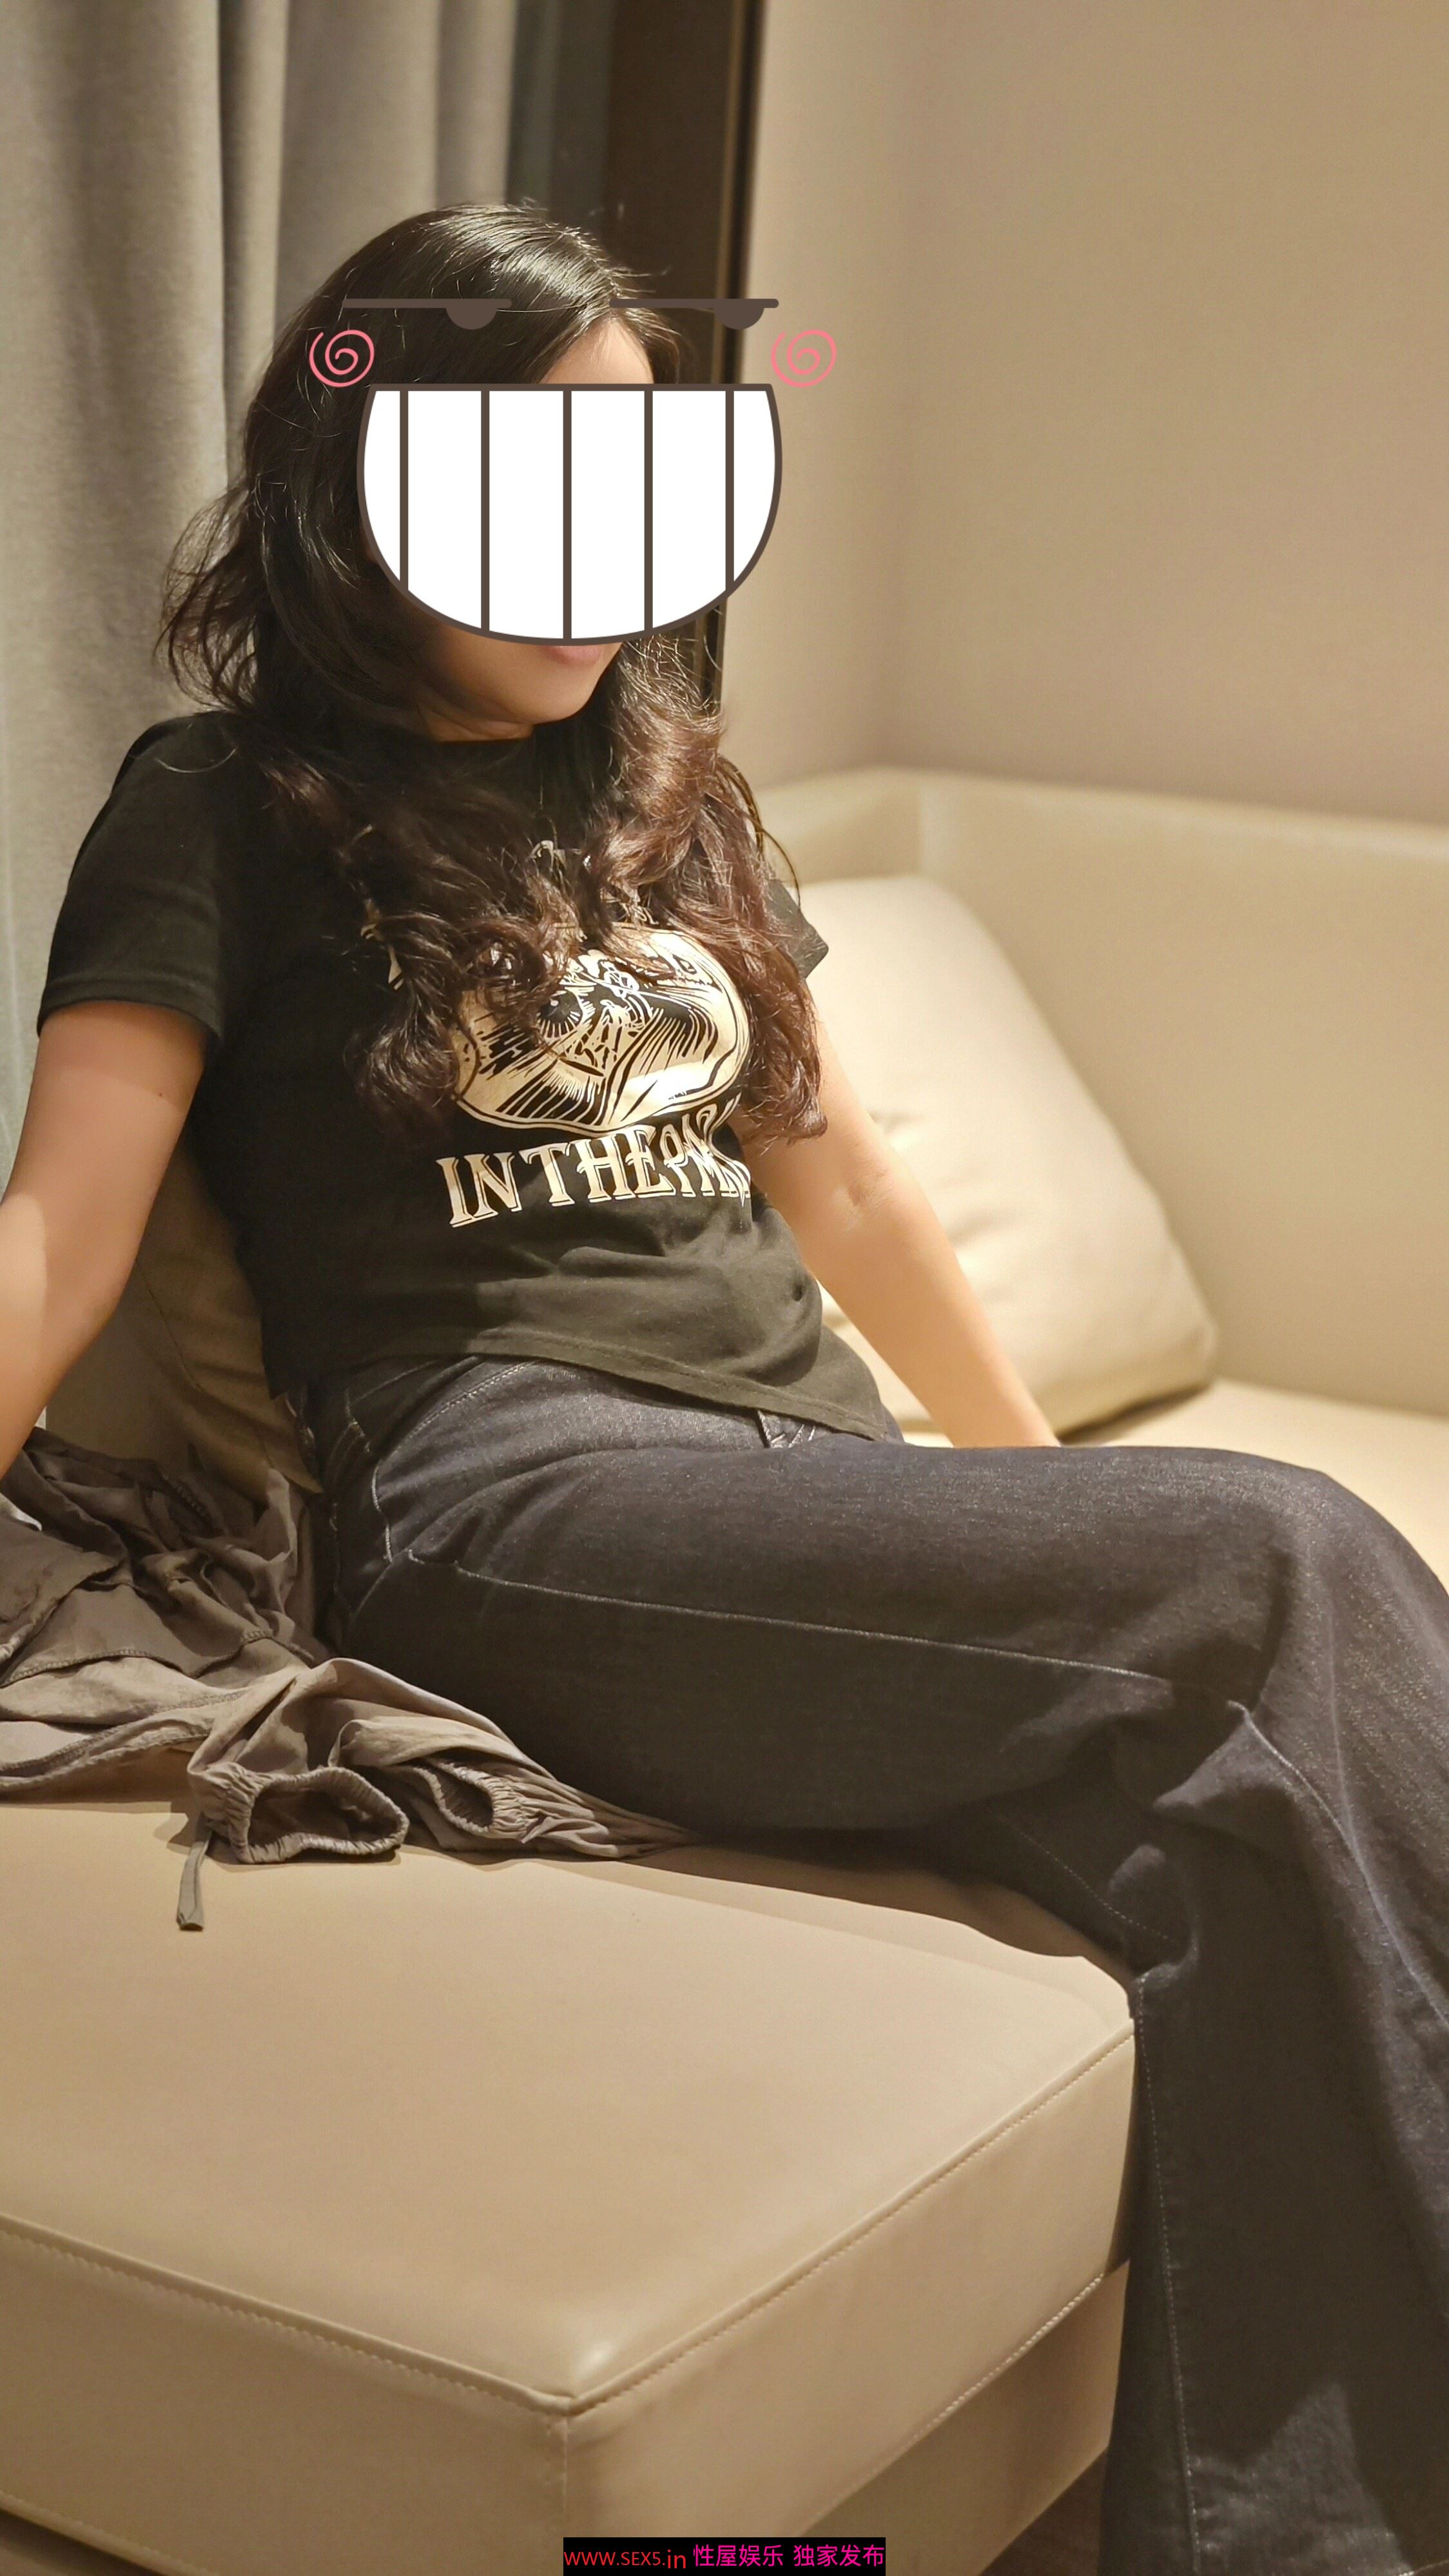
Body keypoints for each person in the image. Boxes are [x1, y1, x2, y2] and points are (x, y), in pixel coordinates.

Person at [3, 203, 1446, 2576]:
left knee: (1224, 1826)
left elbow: (849, 1190)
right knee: (1290, 1549)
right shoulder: (219, 805)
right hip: (505, 1486)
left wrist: (1048, 1508)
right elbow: (61, 1237)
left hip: (796, 1472)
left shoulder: (666, 794)